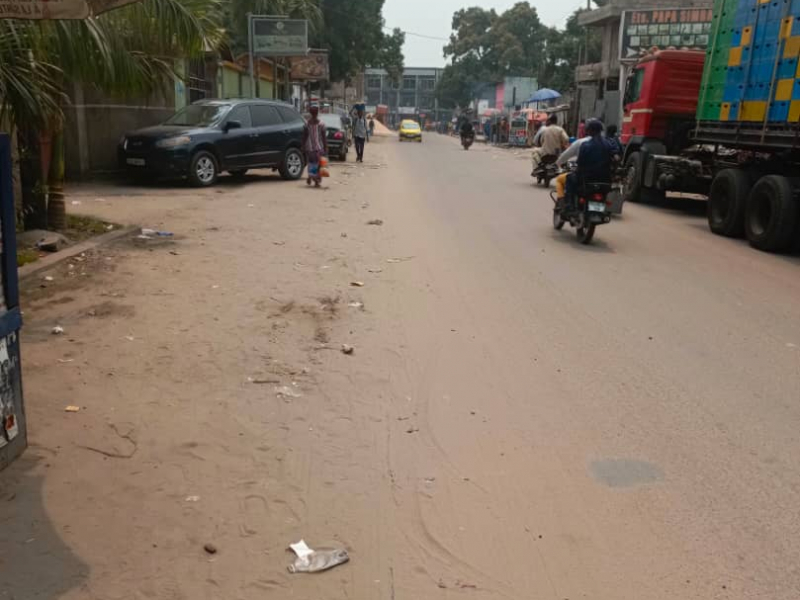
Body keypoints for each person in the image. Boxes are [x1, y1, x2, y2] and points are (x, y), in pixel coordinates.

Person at [564, 119, 618, 210]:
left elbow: (580, 163)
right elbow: (616, 159)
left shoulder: (586, 145)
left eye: (588, 129)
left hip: (587, 179)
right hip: (605, 180)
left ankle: (569, 205)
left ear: (591, 130)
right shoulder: (609, 144)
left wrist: (576, 170)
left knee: (569, 178)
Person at [302, 105, 328, 187]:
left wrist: (302, 145)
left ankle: (311, 176)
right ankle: (316, 180)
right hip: (319, 148)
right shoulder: (321, 124)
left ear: (310, 113)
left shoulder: (307, 124)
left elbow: (305, 136)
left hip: (309, 148)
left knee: (311, 163)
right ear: (317, 113)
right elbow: (324, 137)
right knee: (319, 164)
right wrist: (326, 147)